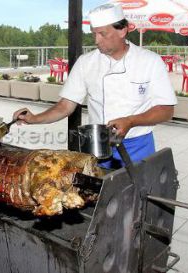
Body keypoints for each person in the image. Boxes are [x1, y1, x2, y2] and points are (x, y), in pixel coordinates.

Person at [12, 3, 177, 168]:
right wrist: (34, 119)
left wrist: (131, 121)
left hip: (138, 146)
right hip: (97, 145)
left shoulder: (150, 61)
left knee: (140, 191)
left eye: (102, 34)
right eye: (94, 34)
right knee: (98, 191)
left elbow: (166, 110)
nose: (96, 40)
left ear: (122, 30)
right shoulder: (86, 63)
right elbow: (65, 106)